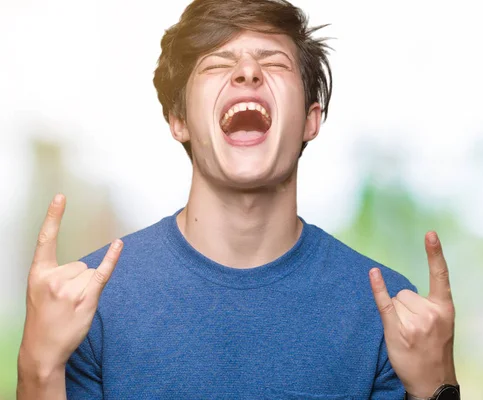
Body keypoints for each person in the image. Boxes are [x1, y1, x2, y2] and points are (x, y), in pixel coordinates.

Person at [17, 0, 459, 399]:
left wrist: (438, 389)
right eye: (217, 64)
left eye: (274, 62)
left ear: (311, 119)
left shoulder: (390, 313)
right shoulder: (90, 305)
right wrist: (38, 367)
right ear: (179, 120)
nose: (247, 71)